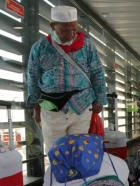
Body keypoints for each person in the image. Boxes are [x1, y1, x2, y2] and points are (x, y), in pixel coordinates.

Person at [27, 5, 107, 151]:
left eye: (73, 29)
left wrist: (100, 99)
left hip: (81, 105)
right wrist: (34, 104)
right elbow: (32, 76)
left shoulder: (87, 46)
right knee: (55, 151)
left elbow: (97, 72)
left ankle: (79, 174)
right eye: (64, 30)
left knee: (79, 152)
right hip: (51, 107)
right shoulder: (40, 48)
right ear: (53, 26)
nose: (70, 34)